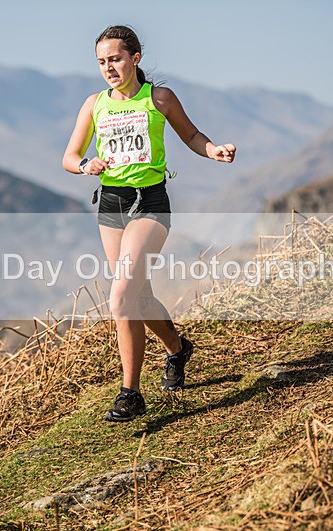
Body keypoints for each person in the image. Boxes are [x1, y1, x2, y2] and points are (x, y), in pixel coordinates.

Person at [62, 25, 236, 422]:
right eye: (102, 62)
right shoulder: (94, 104)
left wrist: (213, 150)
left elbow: (191, 135)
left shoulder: (159, 98)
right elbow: (69, 157)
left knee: (121, 295)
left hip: (150, 204)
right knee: (137, 296)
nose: (109, 68)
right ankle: (177, 348)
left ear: (135, 58)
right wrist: (86, 164)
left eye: (116, 59)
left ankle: (131, 394)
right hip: (111, 205)